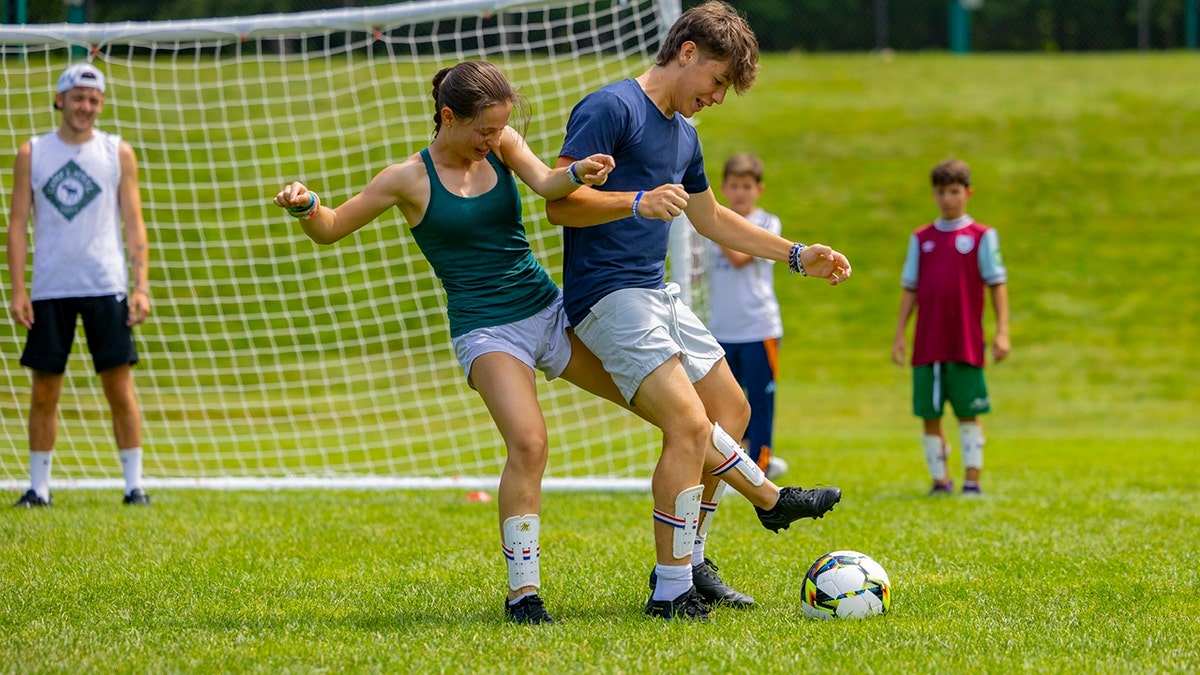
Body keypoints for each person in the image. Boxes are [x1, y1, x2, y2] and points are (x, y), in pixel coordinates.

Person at [274, 61, 627, 626]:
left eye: (501, 130)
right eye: (484, 131)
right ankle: (524, 594)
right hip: (485, 328)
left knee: (651, 397)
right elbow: (333, 226)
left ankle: (754, 501)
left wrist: (580, 172)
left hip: (545, 307)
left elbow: (545, 182)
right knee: (530, 442)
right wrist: (305, 206)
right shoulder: (406, 179)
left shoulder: (503, 141)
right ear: (448, 117)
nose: (494, 141)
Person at [545, 0, 853, 621]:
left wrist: (796, 255)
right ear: (687, 52)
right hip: (605, 296)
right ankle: (670, 589)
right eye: (716, 81)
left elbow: (710, 219)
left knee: (732, 410)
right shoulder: (610, 107)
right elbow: (560, 203)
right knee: (688, 426)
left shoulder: (685, 135)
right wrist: (634, 202)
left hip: (658, 293)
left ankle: (695, 563)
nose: (717, 97)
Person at [6, 62, 152, 508]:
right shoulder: (33, 152)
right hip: (50, 288)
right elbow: (16, 225)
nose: (85, 107)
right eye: (77, 98)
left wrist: (141, 285)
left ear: (101, 104)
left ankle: (134, 486)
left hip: (105, 285)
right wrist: (17, 289)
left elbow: (134, 222)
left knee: (119, 387)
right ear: (59, 99)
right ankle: (39, 488)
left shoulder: (117, 152)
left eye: (93, 99)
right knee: (45, 389)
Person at [891, 158, 1010, 496]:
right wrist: (900, 334)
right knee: (929, 413)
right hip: (928, 343)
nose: (948, 199)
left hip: (966, 342)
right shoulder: (922, 238)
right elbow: (909, 287)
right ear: (934, 194)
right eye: (941, 192)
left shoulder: (981, 236)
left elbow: (997, 284)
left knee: (968, 413)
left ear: (968, 193)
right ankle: (940, 481)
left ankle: (972, 481)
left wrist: (1002, 331)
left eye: (954, 191)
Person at [706, 153, 787, 480]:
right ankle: (727, 467)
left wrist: (711, 225)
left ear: (759, 189)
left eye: (747, 186)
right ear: (724, 187)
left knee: (760, 404)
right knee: (725, 406)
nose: (740, 192)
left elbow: (740, 257)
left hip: (759, 328)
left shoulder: (767, 224)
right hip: (721, 330)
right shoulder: (711, 221)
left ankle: (761, 468)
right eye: (734, 185)